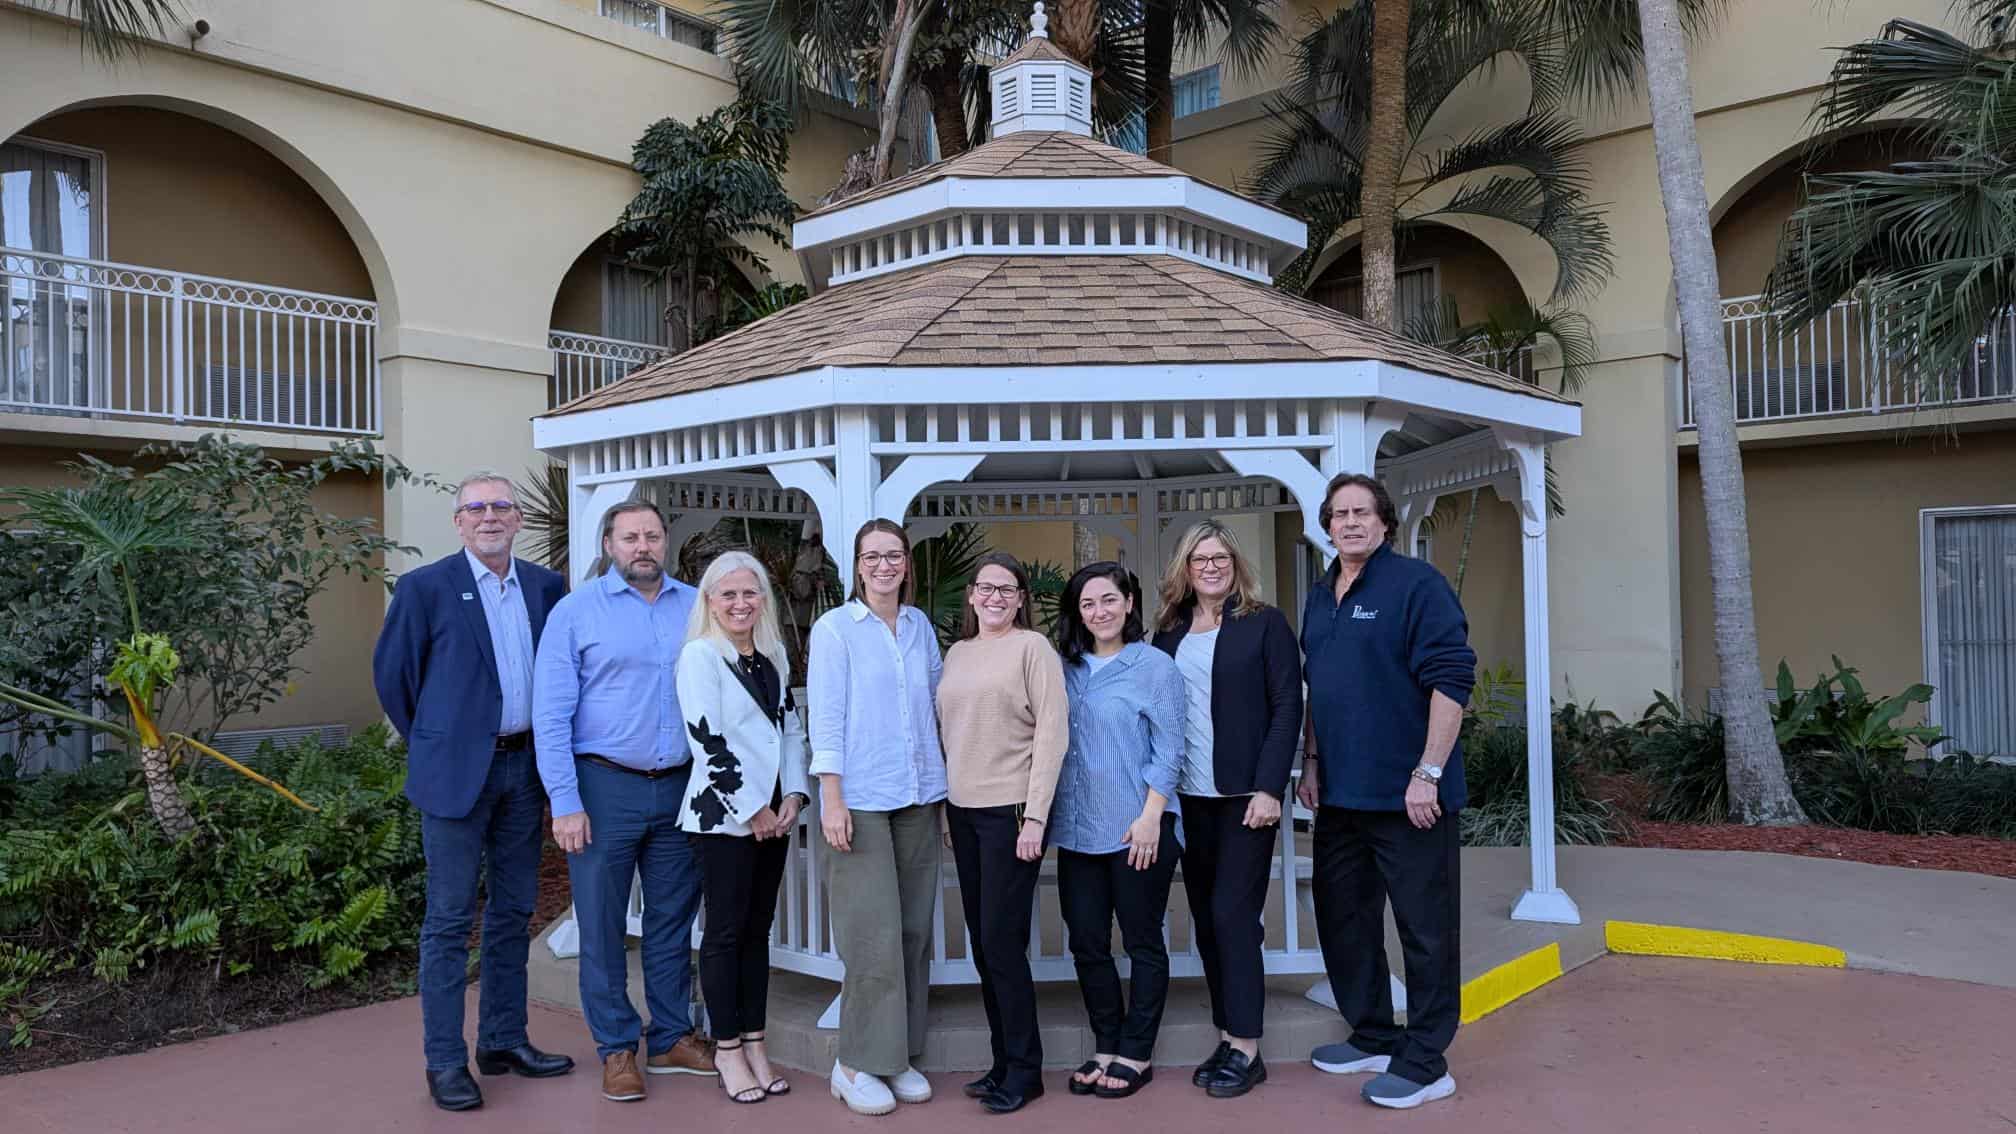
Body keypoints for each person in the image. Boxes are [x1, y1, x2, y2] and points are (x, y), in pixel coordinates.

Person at [372, 471, 573, 1111]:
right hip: (457, 777)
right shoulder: (424, 589)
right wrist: (441, 740)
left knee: (514, 911)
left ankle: (503, 1041)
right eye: (476, 508)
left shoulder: (546, 588)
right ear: (459, 521)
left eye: (502, 507)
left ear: (518, 521)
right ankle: (445, 1062)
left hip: (524, 772)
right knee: (450, 920)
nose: (490, 516)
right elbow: (394, 681)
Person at [1298, 473, 1476, 1111]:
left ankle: (1427, 1061)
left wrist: (1427, 772)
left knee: (1425, 930)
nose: (1349, 522)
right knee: (1343, 919)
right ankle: (1373, 1032)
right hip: (1341, 797)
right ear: (1328, 524)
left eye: (1361, 513)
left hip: (1410, 799)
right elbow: (1319, 687)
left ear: (1384, 522)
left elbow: (1452, 680)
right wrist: (1311, 762)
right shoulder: (1321, 595)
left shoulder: (1416, 586)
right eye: (1339, 513)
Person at [532, 500, 713, 1104]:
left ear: (667, 543)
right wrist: (564, 800)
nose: (643, 546)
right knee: (603, 925)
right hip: (602, 787)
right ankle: (616, 1047)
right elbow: (551, 715)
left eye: (653, 536)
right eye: (630, 536)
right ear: (608, 544)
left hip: (681, 786)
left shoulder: (696, 606)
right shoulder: (575, 613)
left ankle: (669, 1037)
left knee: (670, 920)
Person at [1149, 520, 1302, 1099]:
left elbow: (1287, 706)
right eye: (1199, 559)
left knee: (1236, 919)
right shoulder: (1168, 632)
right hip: (1189, 801)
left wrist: (1270, 788)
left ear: (1236, 564)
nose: (1210, 567)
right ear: (1184, 570)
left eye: (1220, 558)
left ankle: (1247, 1047)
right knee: (1210, 922)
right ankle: (1226, 1033)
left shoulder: (1265, 624)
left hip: (1244, 799)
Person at [806, 520, 943, 1117]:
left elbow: (937, 709)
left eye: (894, 555)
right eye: (873, 556)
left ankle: (899, 1055)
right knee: (873, 937)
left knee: (913, 933)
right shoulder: (835, 630)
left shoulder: (919, 629)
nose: (884, 565)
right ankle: (854, 1062)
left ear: (906, 563)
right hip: (858, 798)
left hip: (918, 795)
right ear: (857, 566)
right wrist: (830, 798)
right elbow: (826, 719)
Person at [674, 550, 810, 1105]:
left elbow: (792, 730)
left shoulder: (772, 654)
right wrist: (751, 807)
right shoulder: (701, 657)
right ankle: (726, 1047)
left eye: (749, 593)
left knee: (759, 932)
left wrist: (796, 794)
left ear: (763, 601)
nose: (740, 603)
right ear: (710, 601)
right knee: (726, 933)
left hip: (775, 816)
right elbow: (707, 742)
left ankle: (756, 1041)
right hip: (724, 819)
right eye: (728, 594)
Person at [936, 551, 1069, 1115]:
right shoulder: (957, 654)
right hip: (964, 813)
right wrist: (947, 810)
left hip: (1012, 810)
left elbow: (1053, 734)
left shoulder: (1033, 649)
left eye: (1006, 589)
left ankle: (1026, 1069)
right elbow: (949, 736)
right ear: (971, 596)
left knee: (1002, 943)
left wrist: (1036, 816)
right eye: (985, 588)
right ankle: (1001, 1062)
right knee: (985, 945)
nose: (994, 597)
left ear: (1020, 599)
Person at [1049, 562, 1186, 1100]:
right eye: (1087, 604)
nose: (1099, 612)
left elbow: (1171, 747)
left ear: (1129, 603)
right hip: (1079, 831)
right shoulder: (1065, 668)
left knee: (1142, 940)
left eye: (1109, 600)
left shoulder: (1153, 666)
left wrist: (1152, 816)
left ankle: (1137, 1050)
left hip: (1138, 828)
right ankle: (1106, 1042)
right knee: (1087, 941)